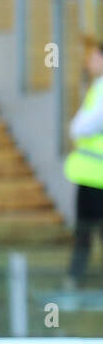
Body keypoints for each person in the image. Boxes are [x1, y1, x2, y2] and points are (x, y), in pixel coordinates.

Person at [66, 37, 103, 288]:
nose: (88, 62)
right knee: (85, 232)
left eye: (93, 57)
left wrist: (76, 128)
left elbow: (83, 126)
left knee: (85, 231)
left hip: (95, 176)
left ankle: (73, 279)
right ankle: (73, 277)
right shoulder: (96, 88)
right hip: (91, 175)